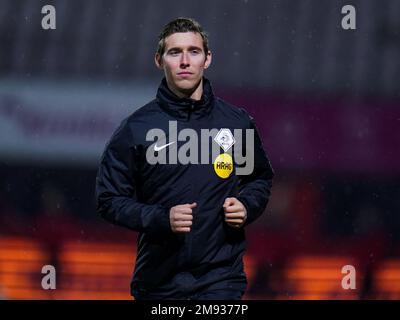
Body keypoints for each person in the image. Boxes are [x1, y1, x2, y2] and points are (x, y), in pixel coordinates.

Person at [95, 17, 274, 300]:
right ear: (159, 60)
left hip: (221, 280)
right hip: (158, 283)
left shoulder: (236, 123)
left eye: (194, 51)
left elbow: (259, 179)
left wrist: (246, 204)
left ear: (208, 59)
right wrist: (160, 217)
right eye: (174, 52)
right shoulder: (136, 128)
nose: (185, 61)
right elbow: (109, 200)